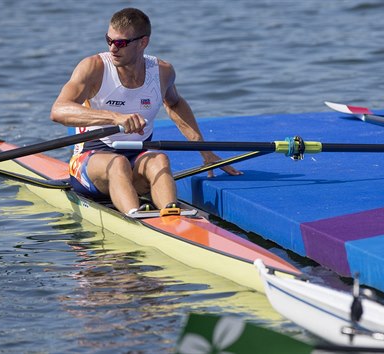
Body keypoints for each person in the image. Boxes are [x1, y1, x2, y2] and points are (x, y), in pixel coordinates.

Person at [50, 8, 241, 215]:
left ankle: (172, 217)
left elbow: (175, 104)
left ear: (143, 43)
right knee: (118, 163)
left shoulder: (162, 72)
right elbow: (58, 110)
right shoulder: (94, 68)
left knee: (159, 160)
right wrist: (115, 117)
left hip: (137, 159)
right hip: (91, 162)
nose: (113, 48)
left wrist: (205, 151)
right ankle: (137, 217)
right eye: (109, 40)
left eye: (121, 43)